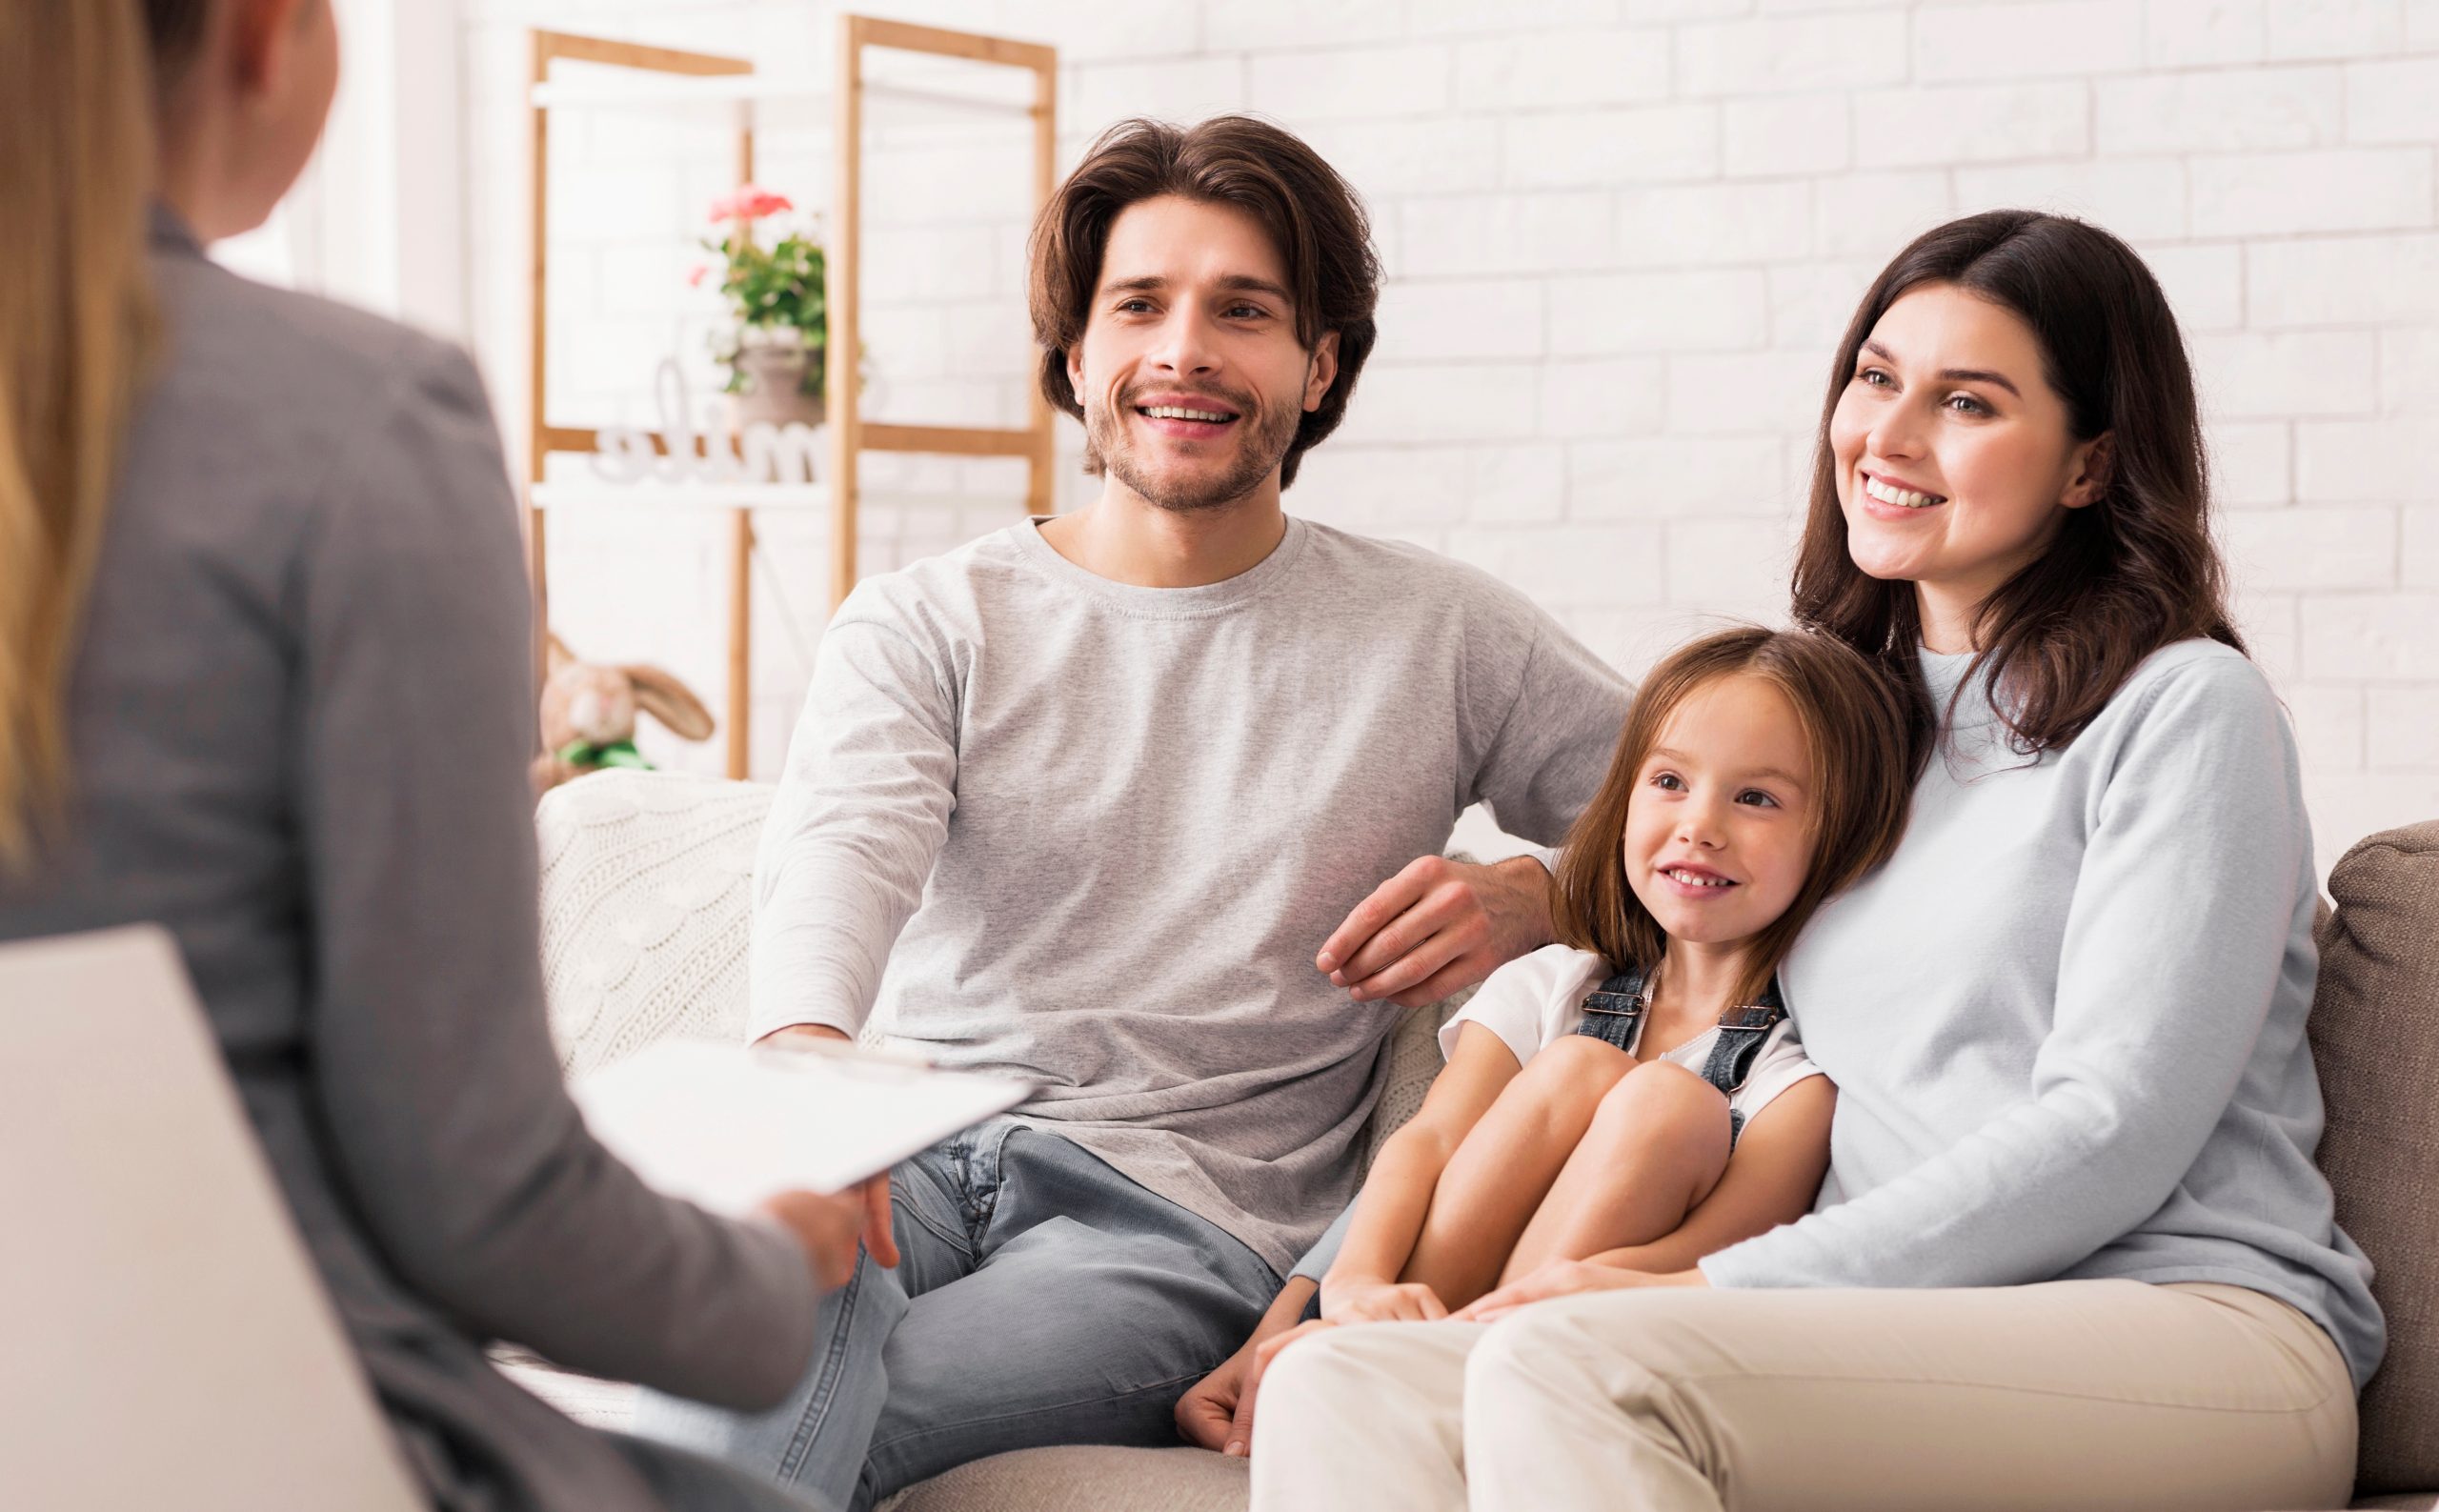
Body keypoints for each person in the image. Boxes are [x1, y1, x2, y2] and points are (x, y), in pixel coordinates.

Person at [1239, 209, 2385, 1512]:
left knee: (1574, 1361)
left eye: (1966, 401)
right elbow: (1664, 924)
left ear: (2090, 463)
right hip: (1889, 1327)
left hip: (2187, 1326)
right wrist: (1316, 1286)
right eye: (1875, 378)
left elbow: (2113, 1127)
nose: (1888, 437)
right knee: (1343, 1379)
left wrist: (1703, 1285)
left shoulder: (2184, 710)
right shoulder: (1849, 726)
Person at [631, 116, 1631, 1512]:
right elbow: (843, 843)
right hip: (911, 1143)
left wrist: (1538, 893)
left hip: (1173, 1219)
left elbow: (1710, 812)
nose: (1186, 351)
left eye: (1245, 310)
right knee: (753, 1311)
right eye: (1140, 306)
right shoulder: (934, 617)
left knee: (790, 1411)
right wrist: (807, 1065)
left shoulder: (1443, 633)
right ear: (1078, 355)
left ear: (1319, 362)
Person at [0, 4, 869, 1509]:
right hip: (257, 1430)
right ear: (270, 38)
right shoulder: (355, 422)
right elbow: (475, 1195)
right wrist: (762, 1273)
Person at [1310, 627, 1911, 1332]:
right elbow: (1430, 1142)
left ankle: (1463, 1368)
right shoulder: (1548, 984)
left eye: (1756, 798)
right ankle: (1386, 1349)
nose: (1699, 825)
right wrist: (1353, 1279)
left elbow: (1716, 1258)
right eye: (1669, 782)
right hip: (1426, 1307)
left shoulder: (1795, 1087)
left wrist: (1572, 1290)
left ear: (1840, 835)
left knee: (1669, 1101)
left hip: (1584, 1339)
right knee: (1580, 1064)